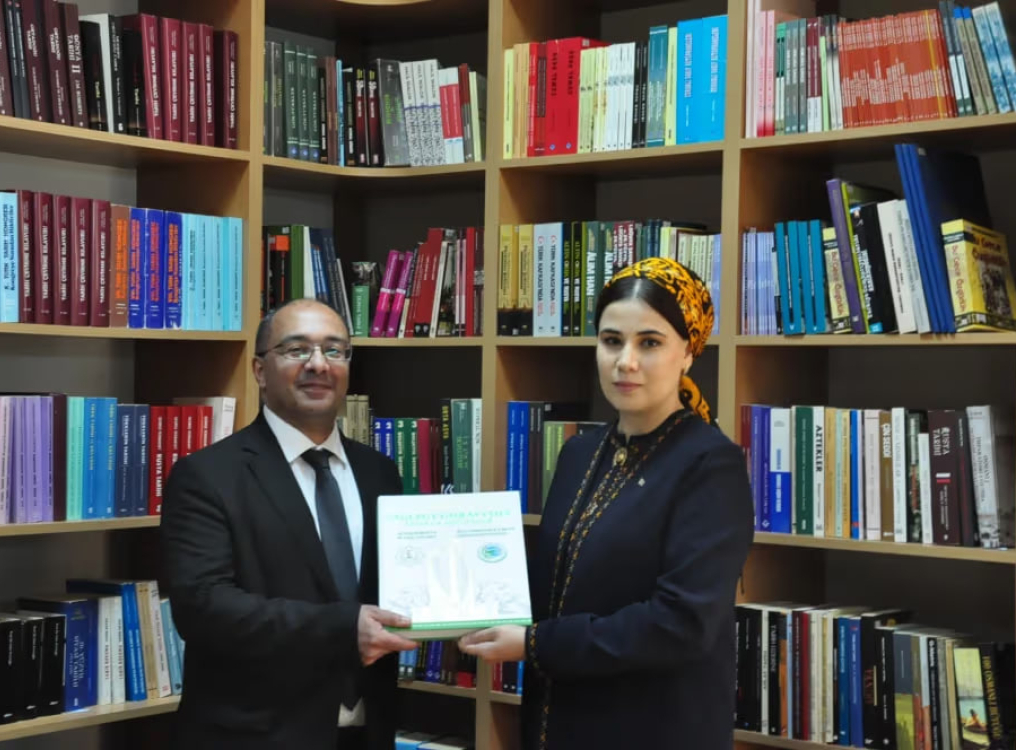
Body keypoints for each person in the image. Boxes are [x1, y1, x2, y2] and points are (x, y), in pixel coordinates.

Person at [459, 258, 755, 750]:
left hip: (654, 729)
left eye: (650, 343)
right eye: (612, 341)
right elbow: (555, 586)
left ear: (688, 353)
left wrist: (534, 644)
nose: (626, 362)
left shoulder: (710, 464)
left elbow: (681, 624)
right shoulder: (579, 452)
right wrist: (452, 603)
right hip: (557, 721)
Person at [161, 298, 418, 750]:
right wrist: (344, 627)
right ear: (260, 371)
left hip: (367, 732)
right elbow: (203, 608)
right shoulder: (207, 476)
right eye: (297, 349)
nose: (318, 364)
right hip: (255, 737)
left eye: (334, 350)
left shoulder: (379, 472)